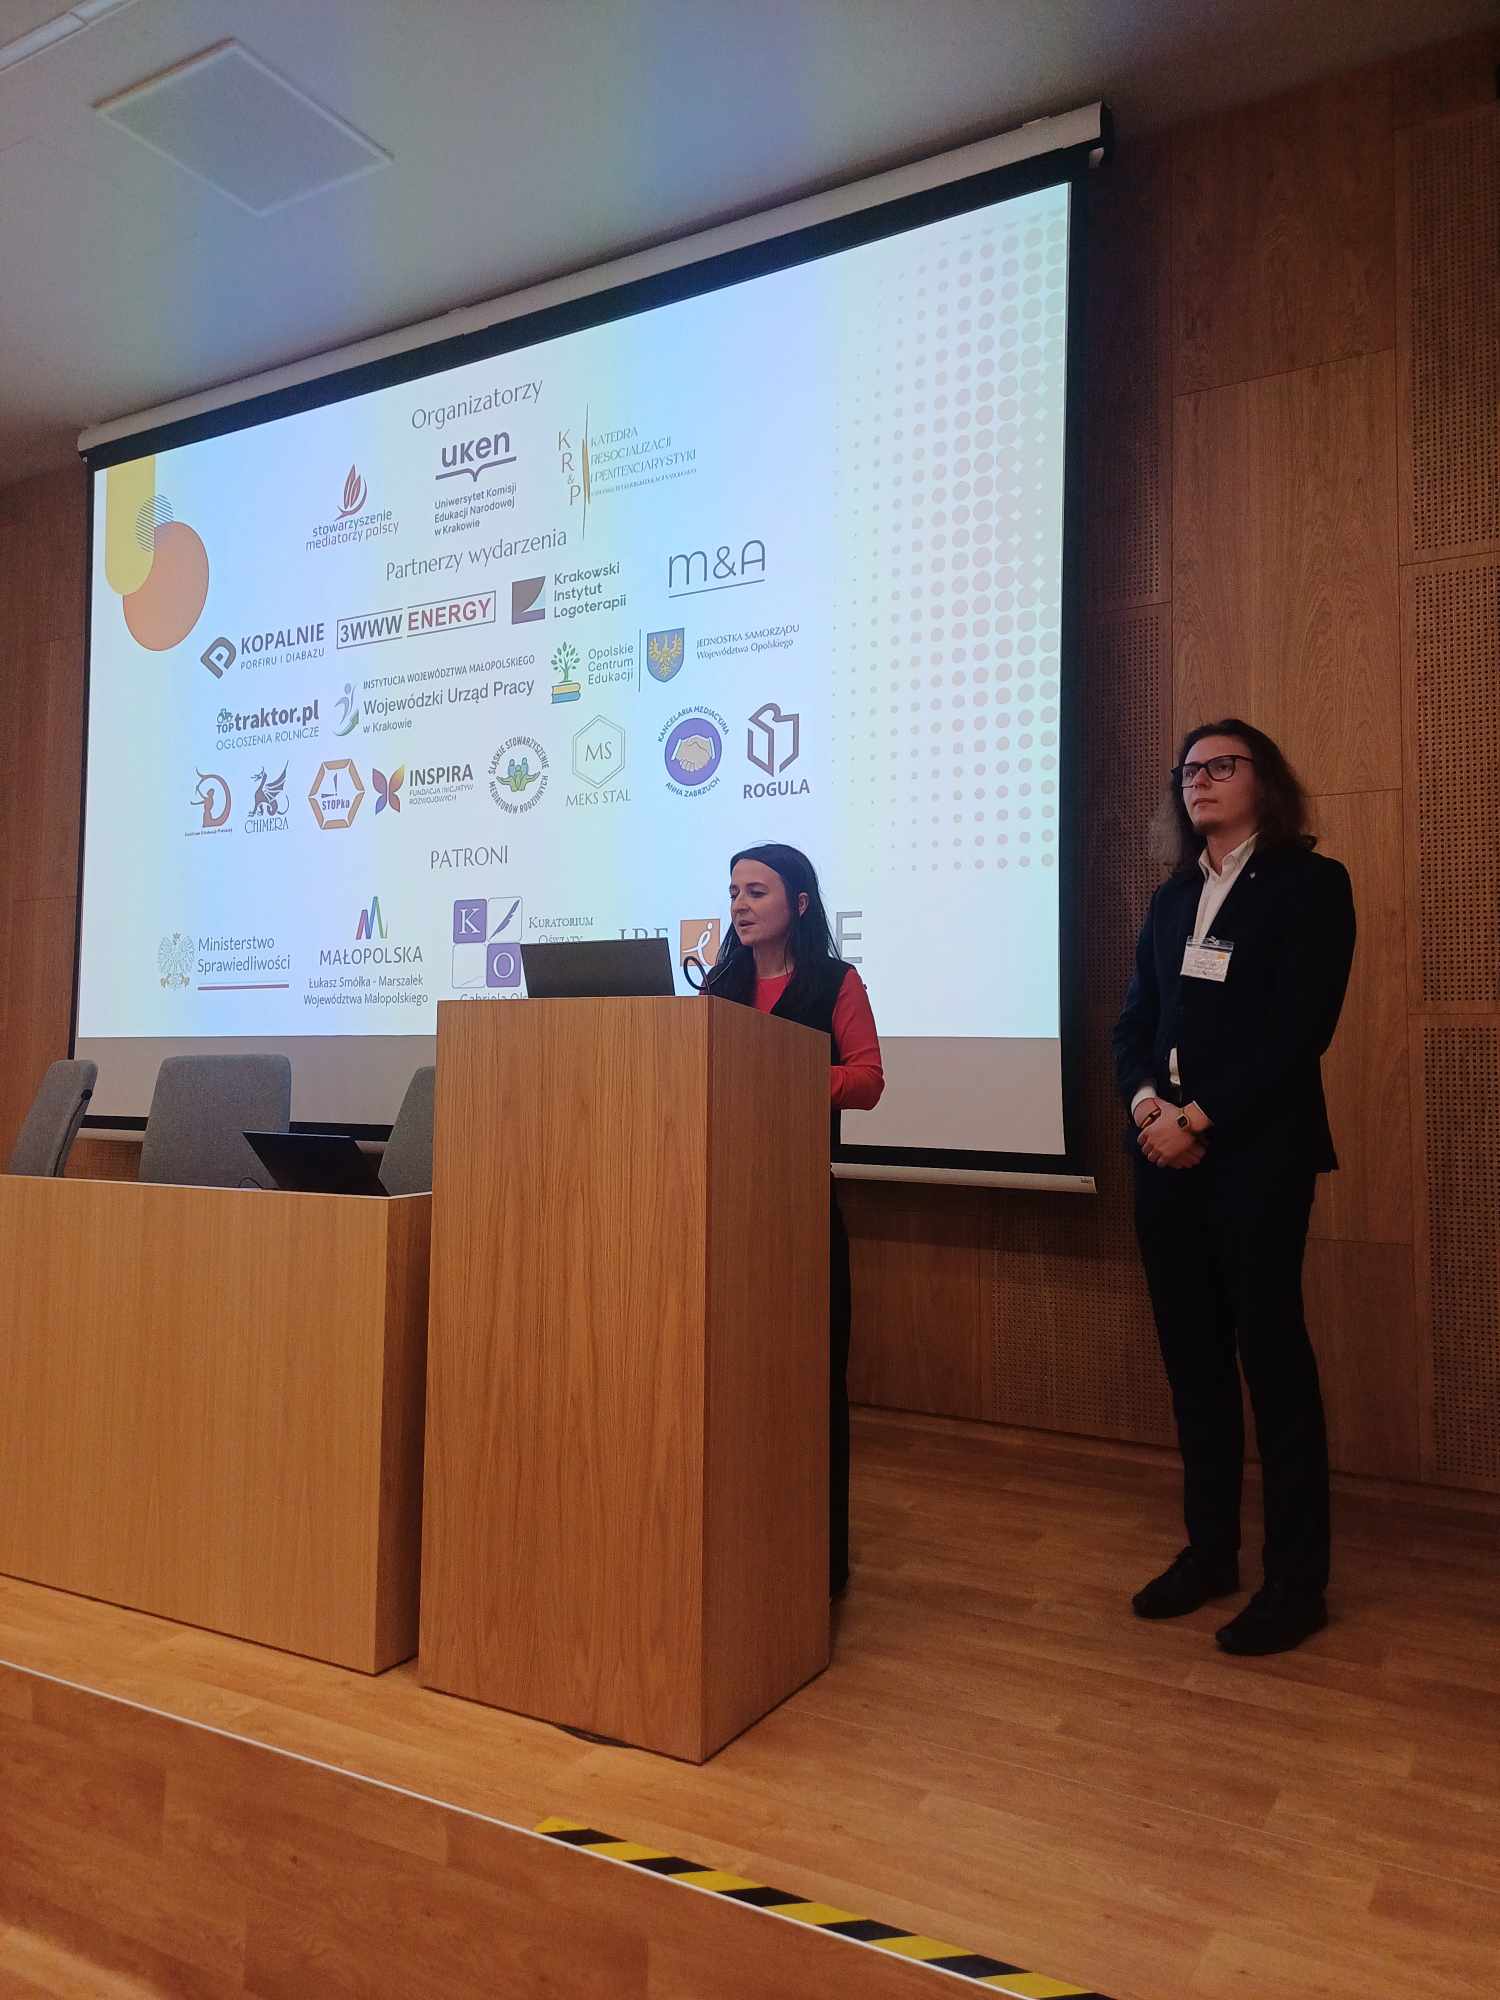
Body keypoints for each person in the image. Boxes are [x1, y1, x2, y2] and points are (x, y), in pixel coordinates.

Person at [1111, 720, 1355, 1656]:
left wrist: (1199, 1119)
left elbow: (1300, 1030)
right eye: (1189, 771)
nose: (1200, 781)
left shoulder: (1309, 883)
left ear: (1265, 780)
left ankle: (1297, 1583)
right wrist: (1147, 1108)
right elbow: (1134, 1022)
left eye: (1222, 766)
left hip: (1256, 1157)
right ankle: (1210, 1553)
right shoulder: (1174, 896)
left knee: (1273, 1362)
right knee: (1193, 1364)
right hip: (1162, 1157)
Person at [699, 843, 884, 1596]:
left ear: (799, 903)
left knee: (809, 1385)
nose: (740, 905)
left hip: (797, 1208)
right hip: (719, 1209)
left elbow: (867, 1081)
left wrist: (780, 1065)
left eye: (757, 891)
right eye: (734, 892)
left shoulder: (835, 982)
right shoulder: (719, 986)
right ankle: (736, 1547)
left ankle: (819, 1562)